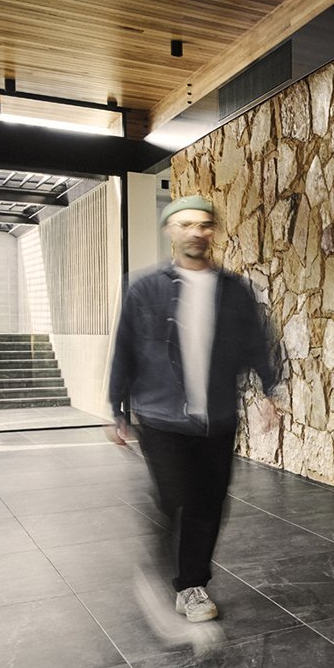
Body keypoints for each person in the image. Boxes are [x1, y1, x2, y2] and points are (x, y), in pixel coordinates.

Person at [107, 194, 284, 622]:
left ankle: (192, 586)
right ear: (170, 230)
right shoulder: (143, 288)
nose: (196, 232)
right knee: (175, 499)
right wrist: (117, 408)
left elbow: (257, 343)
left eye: (204, 225)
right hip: (162, 416)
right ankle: (166, 564)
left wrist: (269, 390)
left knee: (209, 502)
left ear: (213, 232)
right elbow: (125, 348)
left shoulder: (234, 290)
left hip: (217, 417)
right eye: (185, 224)